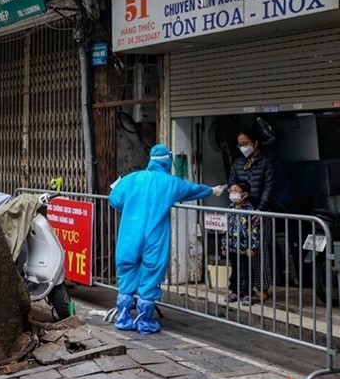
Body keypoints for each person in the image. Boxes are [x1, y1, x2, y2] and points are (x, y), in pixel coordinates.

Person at [109, 144, 224, 334]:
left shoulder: (131, 179)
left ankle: (123, 317)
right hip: (154, 237)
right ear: (168, 161)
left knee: (127, 273)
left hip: (129, 235)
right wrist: (212, 190)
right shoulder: (170, 183)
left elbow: (114, 199)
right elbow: (192, 190)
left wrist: (130, 209)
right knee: (150, 275)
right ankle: (144, 321)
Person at [228, 130, 276, 302]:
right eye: (240, 144)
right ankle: (241, 288)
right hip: (241, 213)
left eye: (246, 143)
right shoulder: (238, 163)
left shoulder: (266, 163)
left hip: (259, 213)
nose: (243, 147)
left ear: (255, 143)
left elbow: (268, 187)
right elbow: (232, 182)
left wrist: (260, 209)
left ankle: (262, 287)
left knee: (259, 251)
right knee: (239, 253)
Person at [221, 180, 261, 305]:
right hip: (233, 247)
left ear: (244, 195)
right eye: (231, 191)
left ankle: (248, 293)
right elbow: (225, 229)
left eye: (236, 191)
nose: (232, 194)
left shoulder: (250, 211)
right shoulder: (230, 209)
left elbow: (254, 230)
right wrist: (224, 245)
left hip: (245, 248)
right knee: (235, 270)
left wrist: (253, 247)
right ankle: (234, 291)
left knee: (247, 271)